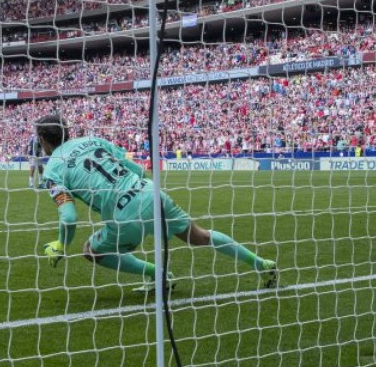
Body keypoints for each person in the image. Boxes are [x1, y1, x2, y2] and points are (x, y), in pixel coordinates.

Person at [35, 114, 276, 292]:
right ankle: (260, 264)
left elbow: (68, 218)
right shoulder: (93, 140)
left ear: (43, 139)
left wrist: (60, 244)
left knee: (92, 251)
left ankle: (158, 275)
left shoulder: (53, 169)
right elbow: (137, 170)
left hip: (124, 214)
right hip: (150, 192)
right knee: (200, 236)